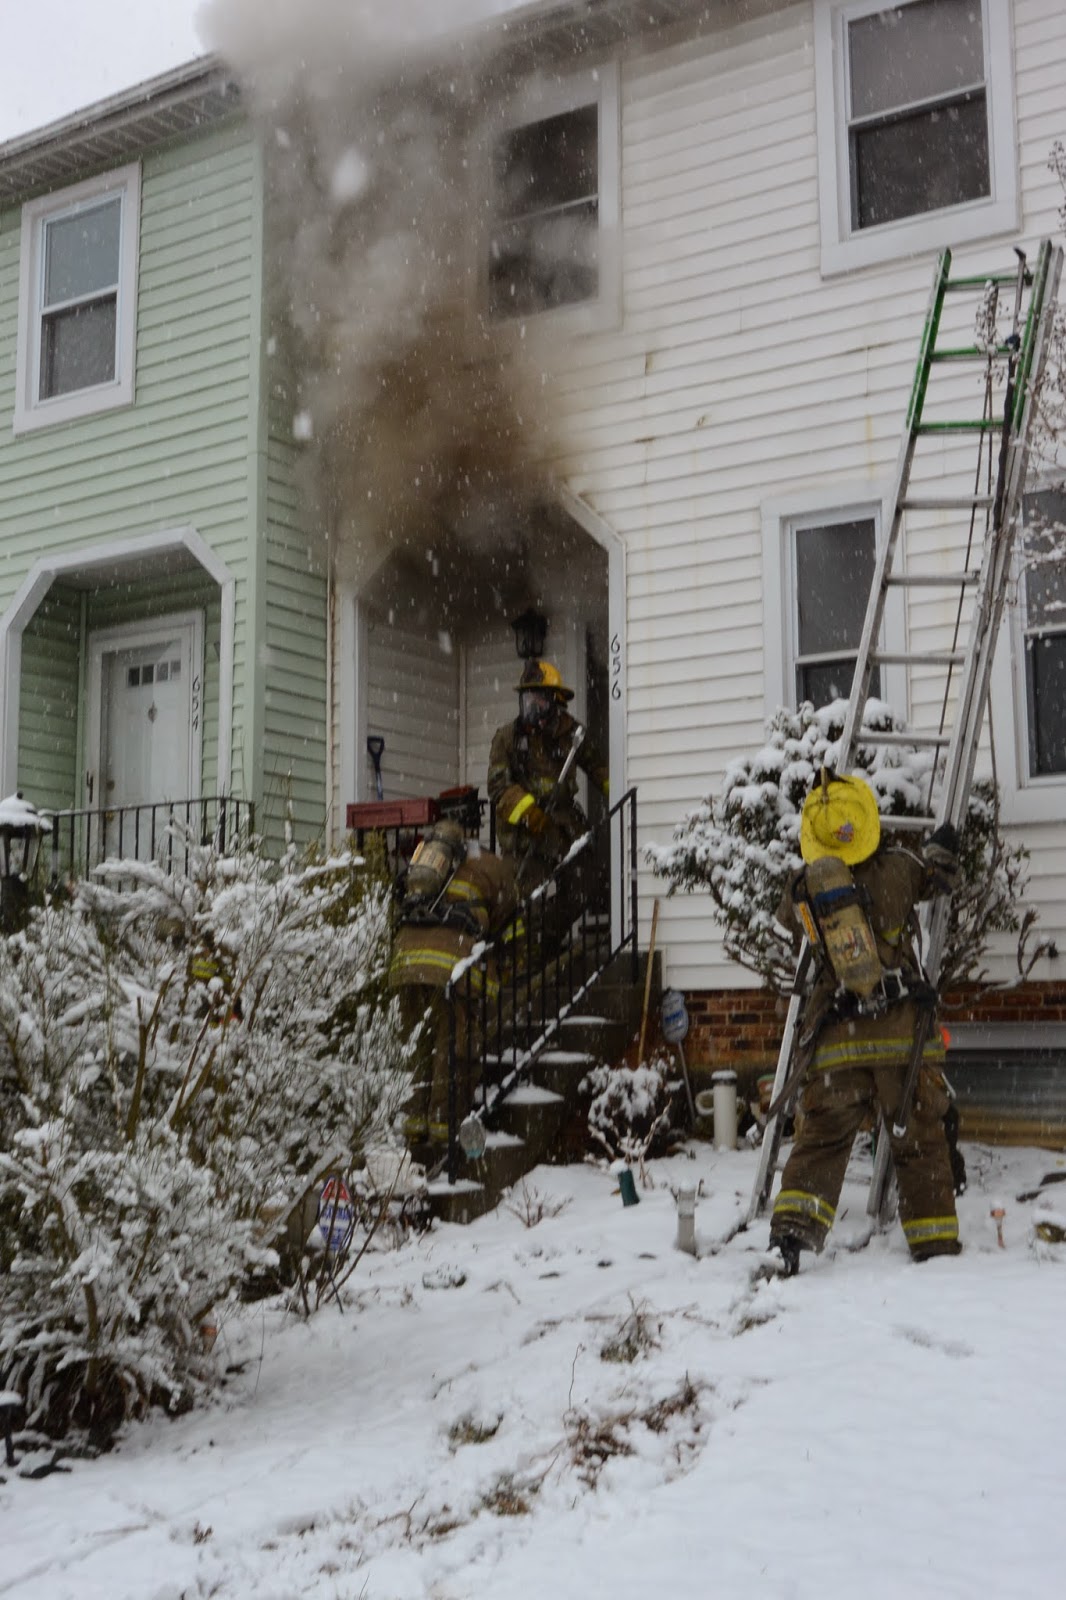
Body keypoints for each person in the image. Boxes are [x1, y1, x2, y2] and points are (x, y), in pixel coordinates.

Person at [767, 772, 963, 1275]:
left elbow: (790, 924)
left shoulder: (802, 888)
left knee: (823, 1141)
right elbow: (941, 876)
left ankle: (792, 1236)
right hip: (903, 1041)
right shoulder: (900, 869)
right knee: (920, 1139)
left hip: (837, 1045)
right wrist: (942, 848)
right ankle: (935, 1245)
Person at [388, 821, 517, 1162]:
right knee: (453, 1049)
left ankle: (414, 1126)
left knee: (418, 1047)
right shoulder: (492, 869)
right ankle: (443, 1138)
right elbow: (507, 920)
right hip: (451, 970)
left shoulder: (425, 866)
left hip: (407, 963)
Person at [487, 658, 609, 895]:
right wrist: (528, 813)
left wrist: (615, 789)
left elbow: (598, 767)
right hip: (524, 837)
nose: (532, 707)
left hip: (563, 830)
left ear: (555, 702)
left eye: (539, 700)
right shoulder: (507, 738)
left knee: (584, 887)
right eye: (527, 700)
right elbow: (498, 786)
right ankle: (533, 929)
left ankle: (549, 930)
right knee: (523, 901)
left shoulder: (571, 734)